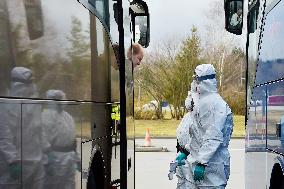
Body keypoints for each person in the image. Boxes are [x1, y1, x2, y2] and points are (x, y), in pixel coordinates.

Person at [186, 64, 234, 188]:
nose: (194, 82)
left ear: (204, 81)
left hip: (212, 166)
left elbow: (214, 136)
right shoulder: (202, 102)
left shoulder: (216, 105)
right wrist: (185, 151)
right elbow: (197, 134)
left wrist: (202, 162)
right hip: (199, 163)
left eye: (196, 79)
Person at [0, 67, 48, 189]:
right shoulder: (5, 105)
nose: (31, 86)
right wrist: (12, 160)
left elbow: (39, 130)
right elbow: (4, 137)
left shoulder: (34, 104)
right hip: (16, 165)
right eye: (28, 83)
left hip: (36, 164)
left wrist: (47, 150)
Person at [42, 90, 80, 189]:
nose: (60, 102)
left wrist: (77, 158)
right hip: (55, 158)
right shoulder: (46, 116)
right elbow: (43, 139)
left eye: (61, 98)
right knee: (54, 185)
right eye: (57, 99)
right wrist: (47, 159)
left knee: (70, 184)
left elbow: (72, 140)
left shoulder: (68, 117)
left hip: (69, 158)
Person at [174, 90, 195, 189]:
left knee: (191, 184)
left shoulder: (199, 117)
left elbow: (197, 139)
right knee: (182, 182)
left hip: (191, 156)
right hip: (183, 155)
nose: (188, 99)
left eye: (190, 96)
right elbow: (181, 133)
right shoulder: (187, 116)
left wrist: (185, 152)